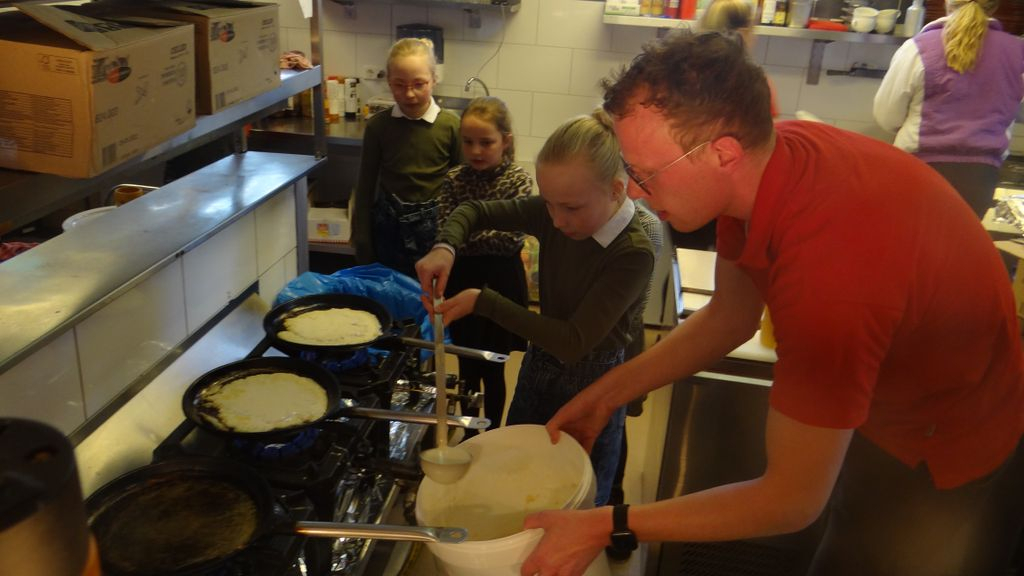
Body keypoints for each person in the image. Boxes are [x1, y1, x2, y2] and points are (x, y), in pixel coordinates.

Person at [522, 30, 1024, 576]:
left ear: (722, 154)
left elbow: (790, 501)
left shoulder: (831, 278)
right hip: (887, 401)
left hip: (949, 441)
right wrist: (606, 396)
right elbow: (731, 316)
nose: (636, 192)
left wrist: (608, 524)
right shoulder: (765, 166)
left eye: (644, 174)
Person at [416, 111, 655, 506]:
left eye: (571, 208)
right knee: (519, 476)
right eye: (548, 204)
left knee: (575, 496)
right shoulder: (556, 212)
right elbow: (473, 211)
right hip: (541, 365)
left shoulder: (632, 252)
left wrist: (484, 301)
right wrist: (445, 247)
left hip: (594, 382)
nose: (557, 221)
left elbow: (574, 341)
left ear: (615, 190)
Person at [874, 0, 1024, 218]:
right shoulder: (1018, 52)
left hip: (918, 171)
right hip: (980, 179)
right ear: (995, 6)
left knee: (911, 248)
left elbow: (887, 116)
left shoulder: (918, 47)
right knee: (956, 249)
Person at [436, 96, 532, 434]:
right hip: (463, 279)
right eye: (468, 142)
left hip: (501, 282)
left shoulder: (519, 180)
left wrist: (466, 233)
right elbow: (445, 229)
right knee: (467, 364)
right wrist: (469, 235)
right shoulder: (454, 179)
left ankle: (491, 433)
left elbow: (510, 238)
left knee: (494, 365)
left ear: (505, 141)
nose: (476, 150)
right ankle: (469, 430)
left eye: (486, 142)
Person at [351, 37, 462, 277]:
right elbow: (365, 187)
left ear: (434, 79)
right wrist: (362, 240)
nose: (409, 94)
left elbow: (462, 189)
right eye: (399, 85)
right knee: (392, 300)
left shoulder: (451, 126)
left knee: (431, 303)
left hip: (436, 234)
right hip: (389, 233)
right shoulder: (378, 127)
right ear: (389, 82)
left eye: (419, 84)